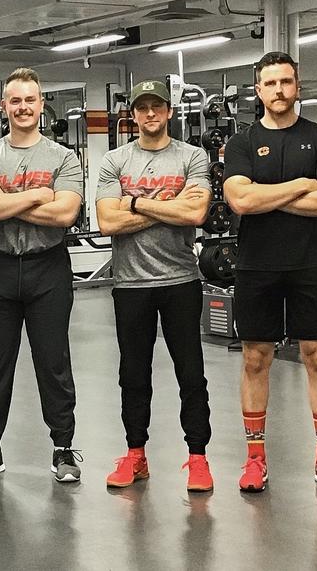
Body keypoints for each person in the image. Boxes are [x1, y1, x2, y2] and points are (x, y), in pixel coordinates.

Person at [223, 51, 317, 494]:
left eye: (286, 82)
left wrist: (265, 195)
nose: (279, 90)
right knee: (256, 358)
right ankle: (255, 459)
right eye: (270, 83)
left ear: (298, 87)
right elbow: (240, 202)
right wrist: (300, 185)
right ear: (258, 91)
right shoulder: (241, 144)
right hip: (257, 264)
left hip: (311, 262)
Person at [0, 67, 85, 483]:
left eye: (30, 99)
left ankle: (63, 448)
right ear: (4, 107)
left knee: (53, 362)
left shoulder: (64, 157)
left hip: (47, 268)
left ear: (41, 104)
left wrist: (5, 198)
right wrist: (37, 194)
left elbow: (65, 214)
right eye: (15, 100)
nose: (23, 107)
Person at [95, 79, 215, 492]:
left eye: (157, 107)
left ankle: (197, 457)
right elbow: (108, 222)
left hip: (181, 280)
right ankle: (135, 454)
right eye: (142, 107)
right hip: (130, 284)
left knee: (191, 372)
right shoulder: (114, 161)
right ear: (134, 113)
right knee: (133, 373)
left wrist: (134, 202)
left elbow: (197, 212)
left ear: (168, 111)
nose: (150, 114)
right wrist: (170, 207)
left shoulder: (192, 157)